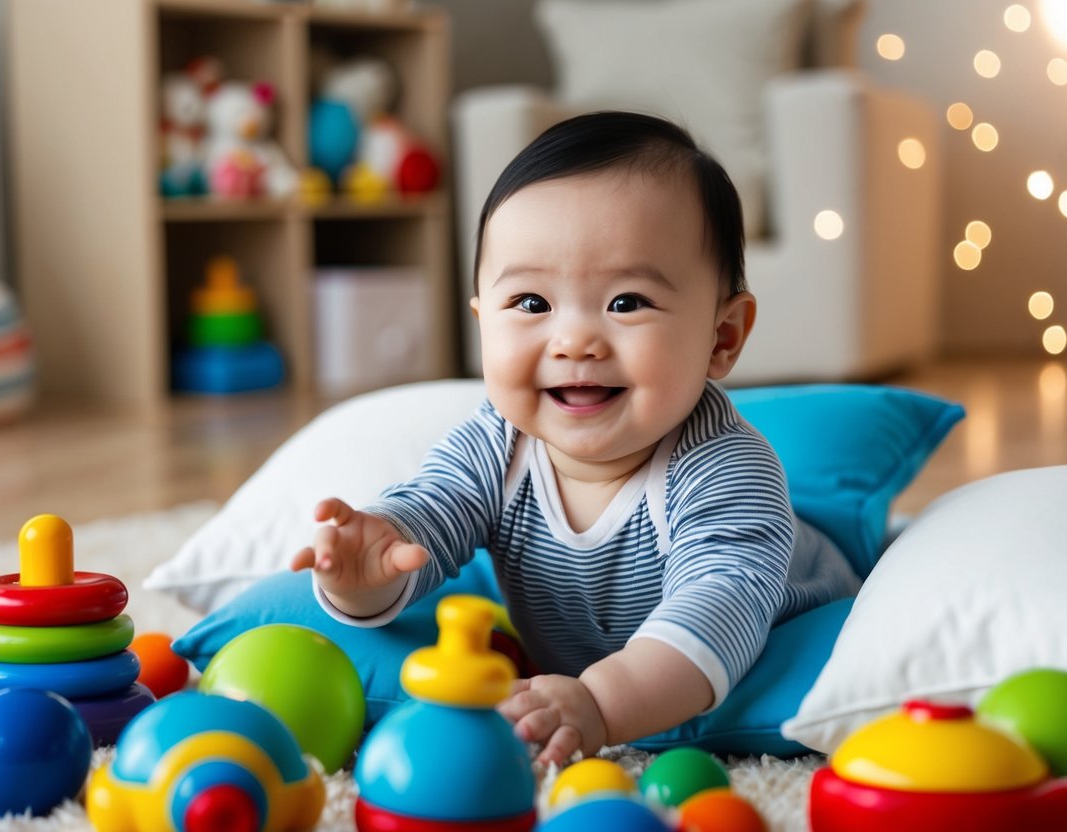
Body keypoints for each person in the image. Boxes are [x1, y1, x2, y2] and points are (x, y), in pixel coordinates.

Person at [291, 111, 860, 767]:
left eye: (626, 302)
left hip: (777, 621)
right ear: (483, 322)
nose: (574, 342)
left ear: (721, 336)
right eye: (531, 303)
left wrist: (599, 703)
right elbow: (430, 515)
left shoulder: (724, 472)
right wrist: (366, 571)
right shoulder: (495, 445)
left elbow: (717, 610)